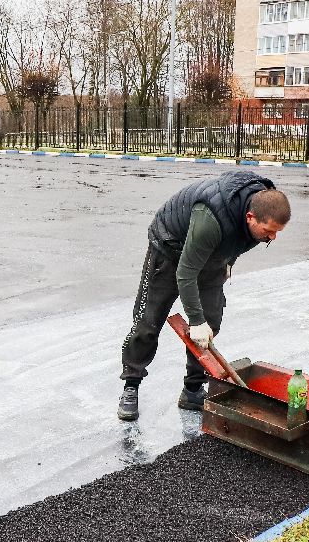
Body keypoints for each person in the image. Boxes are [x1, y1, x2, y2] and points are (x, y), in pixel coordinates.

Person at [118, 171, 291, 421]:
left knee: (211, 322)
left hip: (210, 254)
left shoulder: (261, 211)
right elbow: (185, 273)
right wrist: (194, 320)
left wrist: (228, 263)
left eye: (277, 232)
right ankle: (131, 386)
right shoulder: (211, 219)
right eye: (268, 231)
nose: (272, 237)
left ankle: (192, 390)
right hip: (169, 248)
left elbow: (238, 240)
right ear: (250, 216)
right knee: (147, 322)